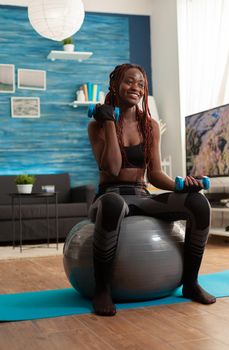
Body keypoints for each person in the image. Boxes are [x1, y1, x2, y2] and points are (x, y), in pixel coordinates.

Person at [88, 63, 216, 316]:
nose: (135, 88)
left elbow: (155, 174)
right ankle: (102, 290)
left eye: (141, 84)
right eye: (129, 81)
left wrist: (184, 184)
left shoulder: (150, 126)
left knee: (198, 203)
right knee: (113, 203)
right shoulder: (97, 126)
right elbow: (112, 168)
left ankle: (190, 283)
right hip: (109, 197)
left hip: (141, 196)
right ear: (115, 84)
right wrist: (109, 121)